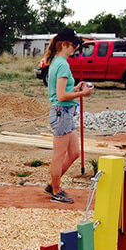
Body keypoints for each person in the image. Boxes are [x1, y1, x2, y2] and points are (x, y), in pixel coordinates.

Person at [43, 28, 93, 204]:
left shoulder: (57, 61)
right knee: (59, 155)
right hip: (62, 112)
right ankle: (56, 191)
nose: (75, 48)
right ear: (64, 44)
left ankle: (52, 184)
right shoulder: (62, 64)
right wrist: (82, 94)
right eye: (73, 45)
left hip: (64, 112)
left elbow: (62, 92)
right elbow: (61, 96)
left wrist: (76, 88)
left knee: (74, 152)